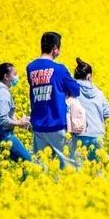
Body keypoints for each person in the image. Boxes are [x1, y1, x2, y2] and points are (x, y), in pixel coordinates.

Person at [26, 31, 80, 168]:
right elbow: (75, 90)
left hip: (38, 125)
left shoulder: (30, 68)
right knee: (68, 166)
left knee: (40, 167)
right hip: (56, 124)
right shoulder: (60, 69)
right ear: (55, 48)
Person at [0, 63, 31, 162]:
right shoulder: (2, 94)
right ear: (6, 76)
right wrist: (19, 123)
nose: (17, 77)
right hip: (2, 136)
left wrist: (17, 121)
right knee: (28, 162)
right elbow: (1, 119)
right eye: (14, 74)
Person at [72, 58, 109, 161]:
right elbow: (108, 113)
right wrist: (97, 121)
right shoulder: (98, 92)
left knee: (79, 169)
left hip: (78, 135)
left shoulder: (72, 91)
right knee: (97, 168)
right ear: (89, 76)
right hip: (97, 135)